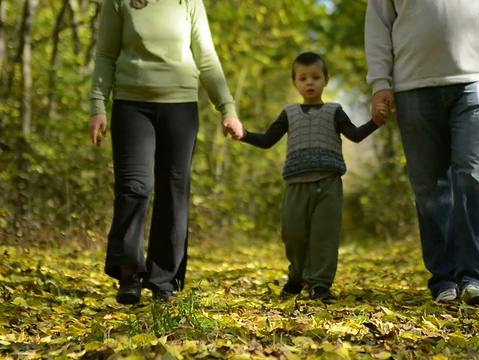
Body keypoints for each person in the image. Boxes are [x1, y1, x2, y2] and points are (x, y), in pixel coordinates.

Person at [365, 0, 479, 305]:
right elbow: (378, 26)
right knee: (429, 186)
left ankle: (476, 277)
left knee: (475, 177)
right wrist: (379, 83)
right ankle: (444, 279)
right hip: (413, 85)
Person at [88, 0, 243, 305]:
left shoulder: (189, 2)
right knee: (134, 187)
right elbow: (105, 55)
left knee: (175, 190)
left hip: (181, 107)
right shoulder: (120, 2)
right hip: (131, 105)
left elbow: (207, 57)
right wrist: (97, 106)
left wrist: (227, 108)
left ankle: (163, 279)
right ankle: (129, 273)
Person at [238, 52, 387, 301]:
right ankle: (297, 277)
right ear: (294, 83)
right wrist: (243, 134)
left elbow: (355, 135)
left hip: (329, 184)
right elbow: (267, 141)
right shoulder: (289, 113)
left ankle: (320, 284)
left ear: (325, 80)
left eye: (315, 77)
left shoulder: (334, 111)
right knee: (293, 234)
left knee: (324, 235)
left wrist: (375, 121)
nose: (309, 82)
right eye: (303, 78)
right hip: (296, 185)